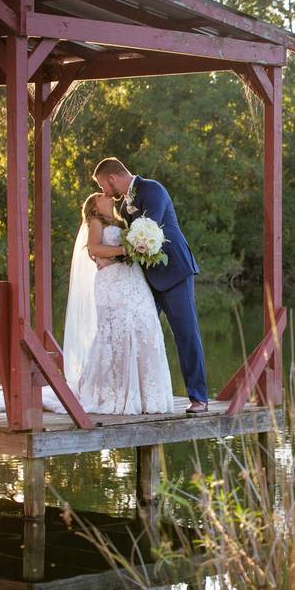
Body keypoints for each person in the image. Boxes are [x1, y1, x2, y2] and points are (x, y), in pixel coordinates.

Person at [91, 158, 209, 414]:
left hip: (174, 272)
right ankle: (140, 397)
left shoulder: (152, 190)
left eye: (103, 184)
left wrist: (112, 256)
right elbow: (126, 241)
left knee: (185, 334)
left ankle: (199, 397)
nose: (104, 191)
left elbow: (147, 233)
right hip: (144, 281)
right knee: (141, 336)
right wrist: (106, 259)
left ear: (112, 178)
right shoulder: (122, 207)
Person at [62, 192, 173, 414]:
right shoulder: (95, 221)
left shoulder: (122, 221)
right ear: (94, 207)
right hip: (112, 283)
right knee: (117, 330)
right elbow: (94, 249)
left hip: (133, 280)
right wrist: (124, 251)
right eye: (100, 196)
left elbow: (114, 253)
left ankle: (147, 395)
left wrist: (138, 250)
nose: (107, 196)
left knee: (145, 326)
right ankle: (114, 393)